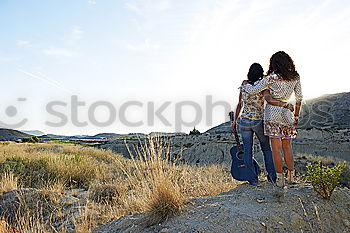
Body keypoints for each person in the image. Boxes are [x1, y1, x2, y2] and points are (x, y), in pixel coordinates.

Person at [241, 51, 303, 187]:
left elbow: (253, 90)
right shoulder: (295, 77)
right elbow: (299, 98)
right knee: (287, 147)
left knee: (275, 149)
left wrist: (245, 84)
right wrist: (296, 115)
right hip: (287, 114)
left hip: (272, 114)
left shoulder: (271, 78)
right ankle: (291, 177)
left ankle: (279, 180)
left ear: (274, 64)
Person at [232, 63, 293, 186]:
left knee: (247, 151)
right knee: (266, 149)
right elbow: (268, 99)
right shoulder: (263, 86)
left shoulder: (244, 85)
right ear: (261, 73)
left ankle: (253, 180)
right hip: (258, 121)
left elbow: (240, 104)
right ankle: (271, 177)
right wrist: (284, 104)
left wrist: (235, 120)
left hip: (244, 122)